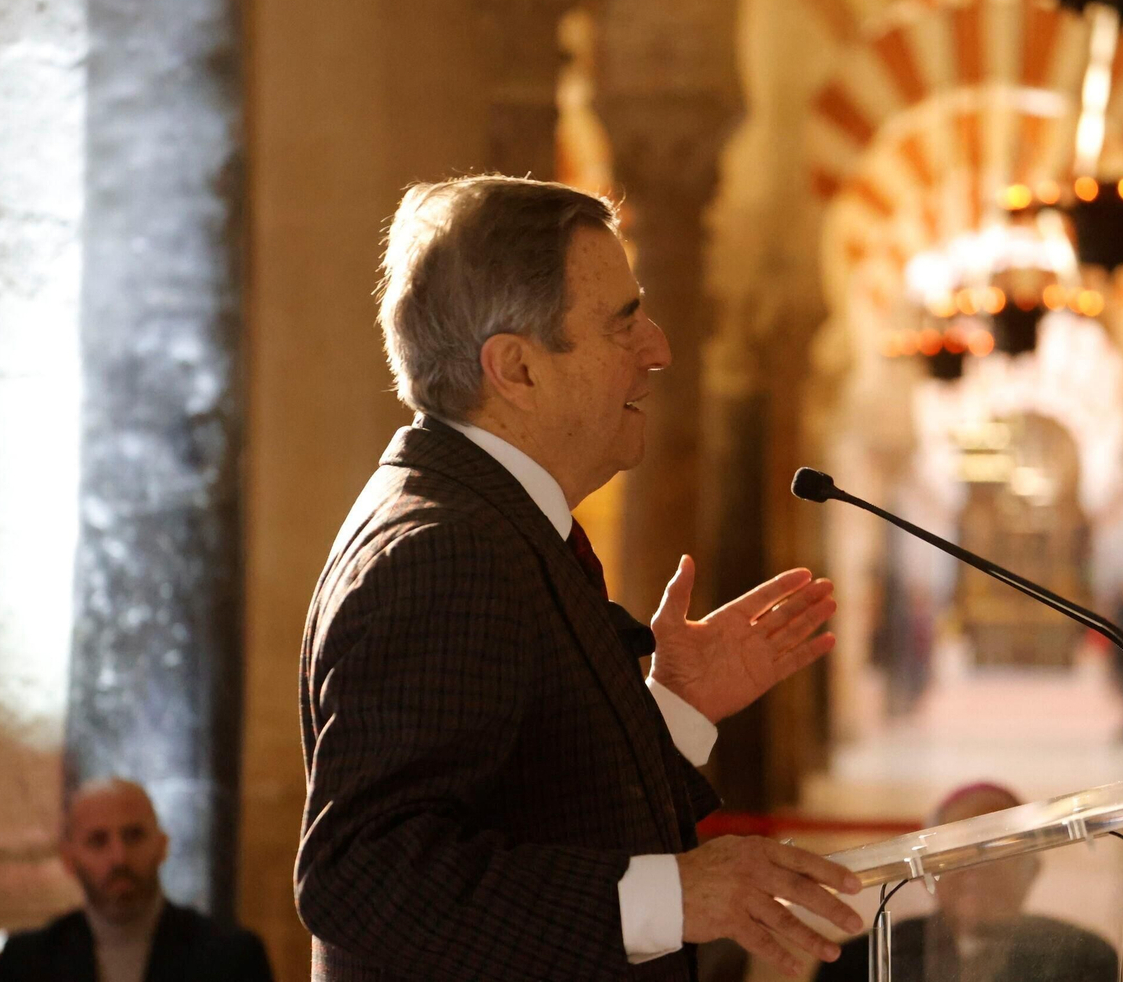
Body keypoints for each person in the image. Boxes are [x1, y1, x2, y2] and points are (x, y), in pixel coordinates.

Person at [295, 175, 865, 982]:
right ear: (517, 370)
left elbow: (536, 801)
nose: (660, 350)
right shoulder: (444, 550)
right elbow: (366, 879)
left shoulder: (494, 516)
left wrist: (674, 709)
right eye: (621, 325)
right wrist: (677, 895)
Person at [816, 783, 1120, 982]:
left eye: (998, 850)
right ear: (925, 873)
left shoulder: (1088, 961)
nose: (977, 870)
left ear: (1032, 869)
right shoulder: (856, 966)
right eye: (959, 853)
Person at [0, 777, 274, 982]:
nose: (119, 858)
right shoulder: (26, 963)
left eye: (134, 836)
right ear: (69, 859)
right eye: (98, 841)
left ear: (162, 845)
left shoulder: (231, 958)